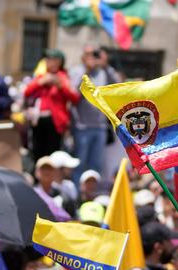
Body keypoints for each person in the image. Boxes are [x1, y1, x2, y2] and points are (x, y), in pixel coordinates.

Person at [69, 45, 121, 179]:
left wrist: (106, 66)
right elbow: (72, 94)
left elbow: (118, 85)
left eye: (95, 55)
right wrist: (86, 70)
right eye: (89, 54)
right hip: (82, 127)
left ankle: (92, 195)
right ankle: (77, 196)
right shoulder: (77, 71)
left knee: (96, 165)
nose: (92, 58)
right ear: (83, 57)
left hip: (100, 127)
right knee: (80, 164)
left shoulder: (103, 72)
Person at [23, 50, 80, 161]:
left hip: (56, 123)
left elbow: (74, 97)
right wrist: (41, 83)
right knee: (37, 152)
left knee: (53, 153)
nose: (50, 62)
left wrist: (60, 85)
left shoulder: (64, 77)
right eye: (48, 60)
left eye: (53, 60)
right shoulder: (42, 76)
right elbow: (27, 92)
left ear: (59, 62)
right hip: (39, 120)